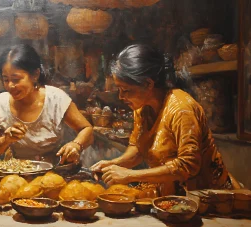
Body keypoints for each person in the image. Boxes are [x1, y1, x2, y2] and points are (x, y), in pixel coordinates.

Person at [91, 44, 240, 195]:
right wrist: (112, 164)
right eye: (119, 90)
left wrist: (128, 175)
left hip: (210, 199)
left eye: (126, 90)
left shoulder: (181, 108)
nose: (121, 97)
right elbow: (138, 149)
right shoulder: (142, 109)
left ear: (148, 84)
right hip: (173, 198)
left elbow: (188, 165)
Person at [0, 44, 94, 164]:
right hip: (16, 175)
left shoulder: (56, 99)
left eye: (16, 79)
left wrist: (76, 145)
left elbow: (86, 129)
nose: (10, 85)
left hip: (54, 174)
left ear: (35, 75)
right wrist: (6, 140)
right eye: (6, 79)